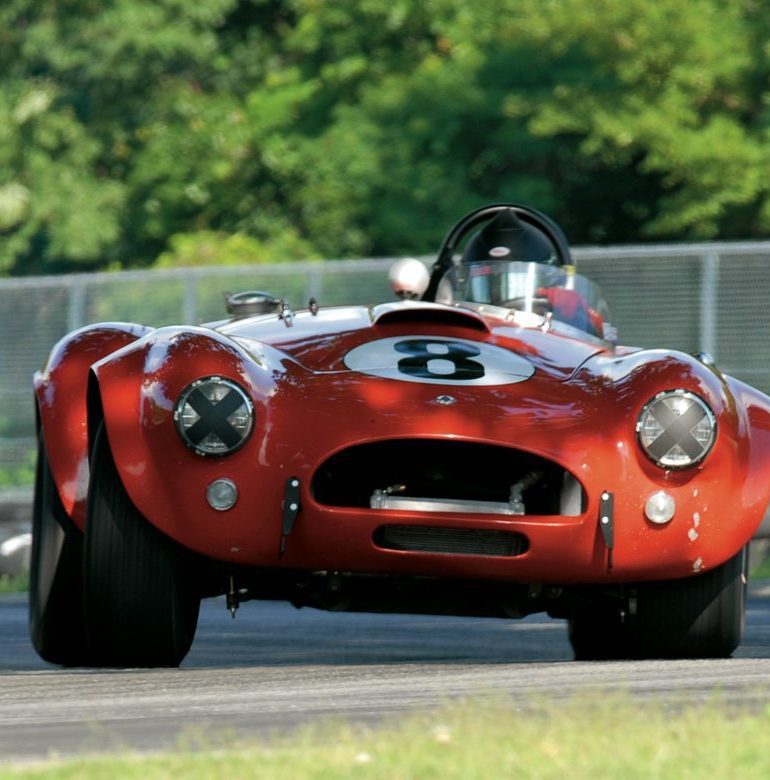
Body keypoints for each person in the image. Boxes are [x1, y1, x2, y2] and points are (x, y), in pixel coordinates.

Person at [457, 207, 604, 337]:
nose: (499, 299)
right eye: (485, 282)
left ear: (550, 278)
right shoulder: (459, 328)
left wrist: (568, 317)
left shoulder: (569, 314)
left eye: (517, 280)